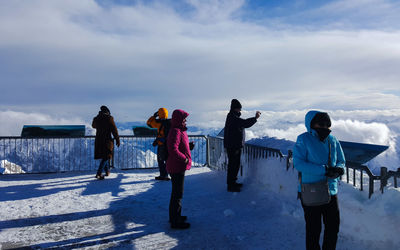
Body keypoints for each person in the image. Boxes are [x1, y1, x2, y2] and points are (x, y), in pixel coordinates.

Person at [293, 111, 345, 250]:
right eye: (321, 124)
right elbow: (298, 163)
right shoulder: (303, 139)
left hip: (331, 190)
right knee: (313, 230)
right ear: (311, 124)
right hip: (311, 190)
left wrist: (339, 169)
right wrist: (324, 170)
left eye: (328, 125)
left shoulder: (332, 140)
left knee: (333, 227)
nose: (325, 127)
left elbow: (341, 160)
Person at [223, 99, 261, 192]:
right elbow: (245, 123)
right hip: (233, 146)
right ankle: (231, 186)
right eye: (239, 109)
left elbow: (242, 123)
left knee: (234, 165)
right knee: (233, 165)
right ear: (235, 109)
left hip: (233, 145)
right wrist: (255, 118)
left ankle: (233, 183)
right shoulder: (233, 117)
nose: (240, 111)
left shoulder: (232, 116)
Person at [166, 109, 194, 229]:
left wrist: (189, 147)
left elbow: (179, 146)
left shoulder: (178, 130)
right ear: (179, 119)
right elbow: (173, 150)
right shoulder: (176, 131)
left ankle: (175, 216)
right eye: (184, 119)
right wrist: (185, 159)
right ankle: (175, 221)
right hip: (177, 166)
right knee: (177, 194)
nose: (186, 121)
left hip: (176, 165)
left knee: (177, 193)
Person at [92, 105, 120, 180]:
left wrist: (98, 117)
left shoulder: (96, 118)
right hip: (107, 141)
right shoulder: (109, 118)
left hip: (98, 140)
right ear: (107, 112)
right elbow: (114, 130)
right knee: (106, 156)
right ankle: (99, 173)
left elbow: (93, 126)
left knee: (105, 156)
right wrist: (117, 139)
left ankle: (107, 171)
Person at [147, 108, 171, 181]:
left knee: (160, 160)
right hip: (169, 143)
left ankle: (163, 175)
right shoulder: (170, 122)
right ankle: (166, 174)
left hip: (161, 144)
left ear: (159, 114)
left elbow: (149, 123)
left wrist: (154, 116)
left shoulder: (158, 123)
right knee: (167, 159)